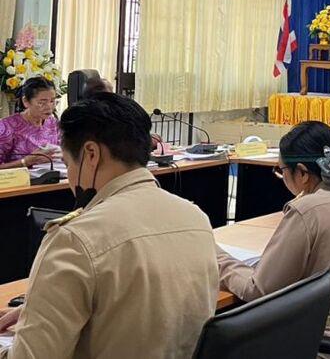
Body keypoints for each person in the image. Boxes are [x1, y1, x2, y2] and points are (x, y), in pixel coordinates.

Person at [0, 92, 218, 359]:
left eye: (68, 163)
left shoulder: (74, 239)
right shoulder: (195, 217)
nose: (70, 178)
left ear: (91, 154)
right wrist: (45, 312)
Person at [218, 121, 330, 357]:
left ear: (302, 173)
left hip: (328, 342)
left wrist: (219, 260)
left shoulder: (307, 210)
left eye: (282, 170)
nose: (281, 177)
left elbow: (259, 290)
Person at [0, 77, 59, 169]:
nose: (49, 107)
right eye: (42, 102)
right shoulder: (6, 127)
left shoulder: (53, 123)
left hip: (52, 175)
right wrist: (26, 162)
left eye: (52, 101)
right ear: (26, 101)